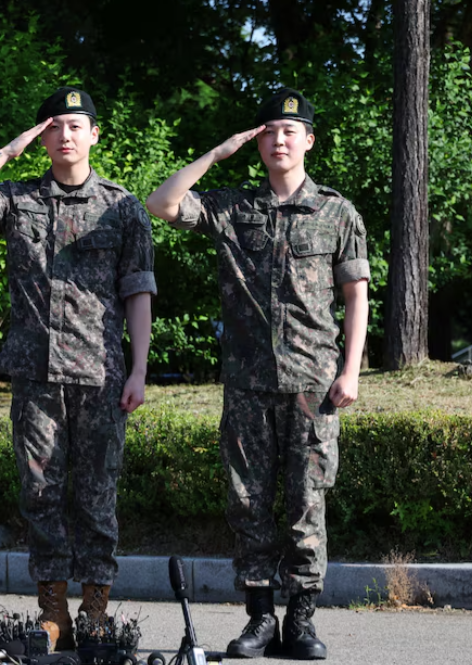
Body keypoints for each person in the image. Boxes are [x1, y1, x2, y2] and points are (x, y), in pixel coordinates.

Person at [145, 88, 369, 661]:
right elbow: (163, 204)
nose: (278, 140)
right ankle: (260, 619)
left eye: (289, 131)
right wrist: (216, 155)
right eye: (268, 131)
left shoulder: (337, 211)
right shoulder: (233, 207)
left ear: (309, 140)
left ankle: (301, 621)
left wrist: (351, 371)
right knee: (248, 502)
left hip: (312, 386)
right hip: (247, 386)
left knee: (306, 503)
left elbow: (355, 295)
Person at [0, 87, 155, 651]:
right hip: (36, 375)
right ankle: (53, 612)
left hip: (102, 375)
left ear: (94, 135)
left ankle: (97, 611)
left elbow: (138, 291)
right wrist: (9, 151)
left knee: (97, 495)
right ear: (43, 137)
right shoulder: (16, 200)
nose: (65, 135)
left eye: (76, 125)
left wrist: (139, 369)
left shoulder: (122, 207)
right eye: (54, 126)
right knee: (40, 492)